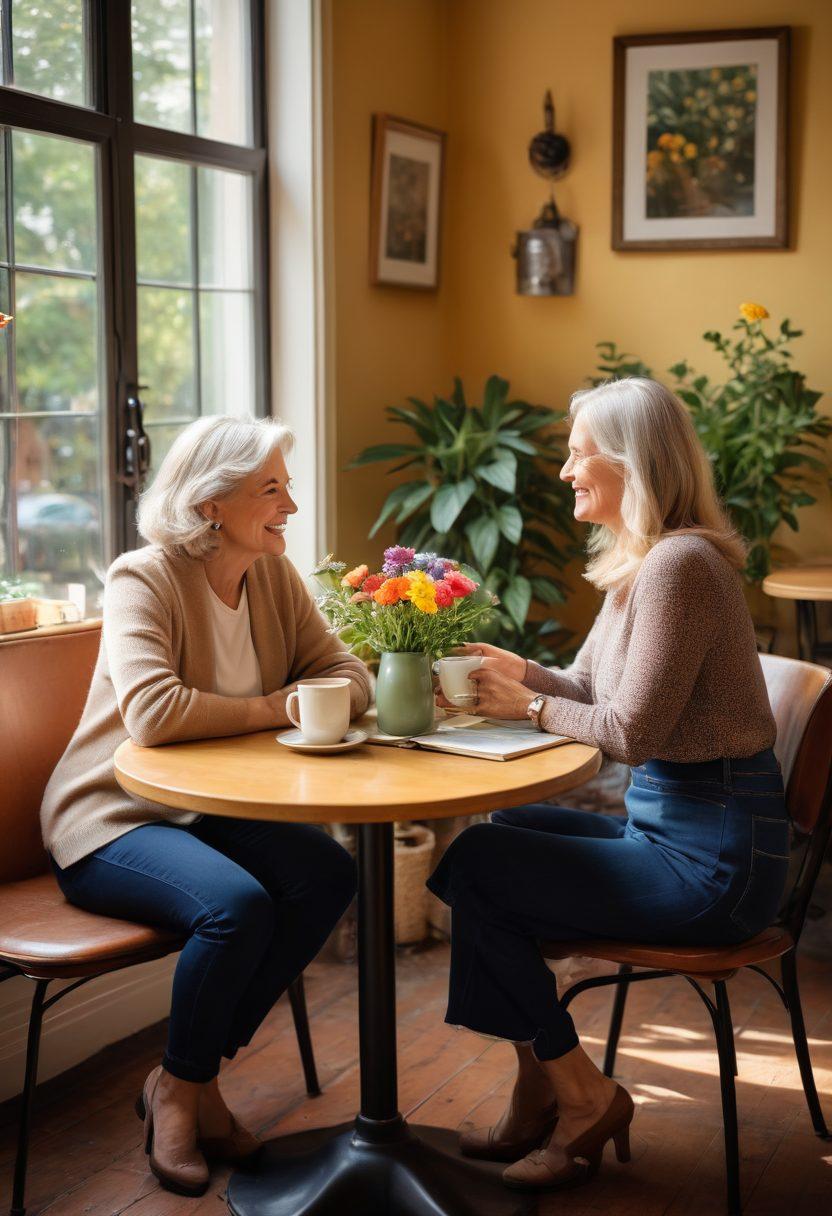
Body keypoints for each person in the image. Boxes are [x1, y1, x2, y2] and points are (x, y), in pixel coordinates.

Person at [427, 377, 787, 1192]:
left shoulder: (681, 567)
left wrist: (529, 705)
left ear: (630, 462)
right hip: (676, 832)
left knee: (483, 868)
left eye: (577, 453)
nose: (563, 472)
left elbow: (632, 734)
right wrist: (520, 672)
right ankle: (549, 1084)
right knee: (489, 847)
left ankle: (577, 1096)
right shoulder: (643, 565)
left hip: (717, 863)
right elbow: (593, 694)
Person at [41, 415, 371, 1198]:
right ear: (210, 503)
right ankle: (188, 1097)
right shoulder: (142, 577)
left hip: (207, 808)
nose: (290, 503)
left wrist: (319, 694)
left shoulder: (272, 574)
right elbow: (154, 713)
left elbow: (346, 670)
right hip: (113, 816)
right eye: (271, 489)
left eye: (286, 486)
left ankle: (179, 1082)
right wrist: (282, 707)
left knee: (326, 874)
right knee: (236, 908)